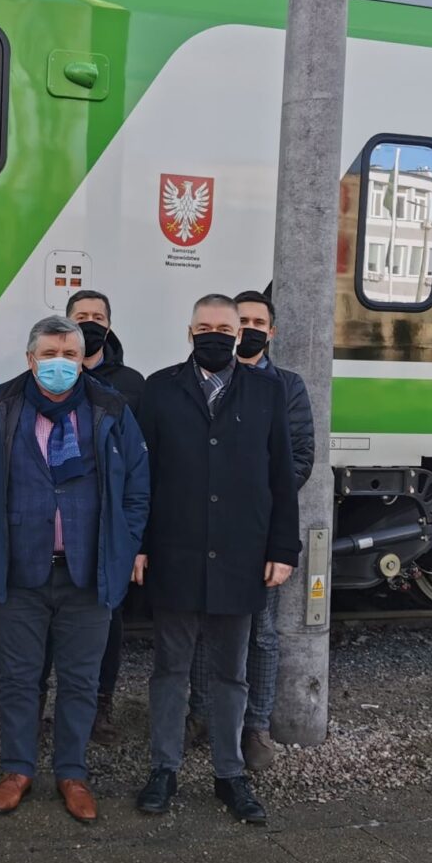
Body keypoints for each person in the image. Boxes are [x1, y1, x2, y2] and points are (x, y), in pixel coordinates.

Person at [0, 315, 149, 823]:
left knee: (80, 680)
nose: (60, 364)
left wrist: (124, 544)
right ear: (30, 359)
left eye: (70, 354)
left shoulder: (110, 409)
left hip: (87, 573)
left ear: (83, 357)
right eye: (50, 354)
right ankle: (17, 769)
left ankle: (72, 771)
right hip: (20, 572)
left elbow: (136, 487)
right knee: (19, 679)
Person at [133, 293, 299, 825]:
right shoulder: (159, 390)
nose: (215, 335)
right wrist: (137, 544)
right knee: (169, 670)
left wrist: (283, 549)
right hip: (174, 552)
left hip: (241, 555)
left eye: (224, 327)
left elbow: (282, 480)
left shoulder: (268, 392)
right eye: (204, 326)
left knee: (232, 673)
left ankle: (230, 775)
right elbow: (140, 477)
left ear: (240, 334)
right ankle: (164, 768)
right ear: (189, 332)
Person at [187, 289, 315, 770]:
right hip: (209, 528)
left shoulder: (286, 386)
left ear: (269, 331)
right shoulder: (207, 382)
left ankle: (255, 726)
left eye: (259, 321)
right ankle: (202, 715)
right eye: (243, 320)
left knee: (261, 632)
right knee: (204, 625)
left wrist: (257, 502)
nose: (251, 328)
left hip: (257, 530)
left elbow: (298, 458)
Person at [63, 289, 147, 745]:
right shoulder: (48, 378)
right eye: (81, 316)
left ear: (109, 326)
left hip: (107, 530)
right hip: (60, 526)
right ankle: (46, 705)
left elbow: (143, 468)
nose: (90, 323)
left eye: (97, 317)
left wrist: (138, 541)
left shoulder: (132, 384)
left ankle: (101, 706)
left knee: (107, 625)